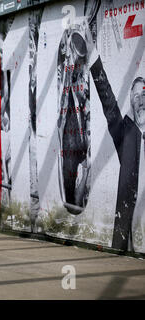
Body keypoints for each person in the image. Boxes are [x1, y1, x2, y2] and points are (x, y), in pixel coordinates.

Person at [85, 23, 144, 252]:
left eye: (144, 93)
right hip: (130, 241)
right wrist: (92, 55)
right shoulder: (127, 137)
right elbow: (109, 103)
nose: (140, 99)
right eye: (136, 95)